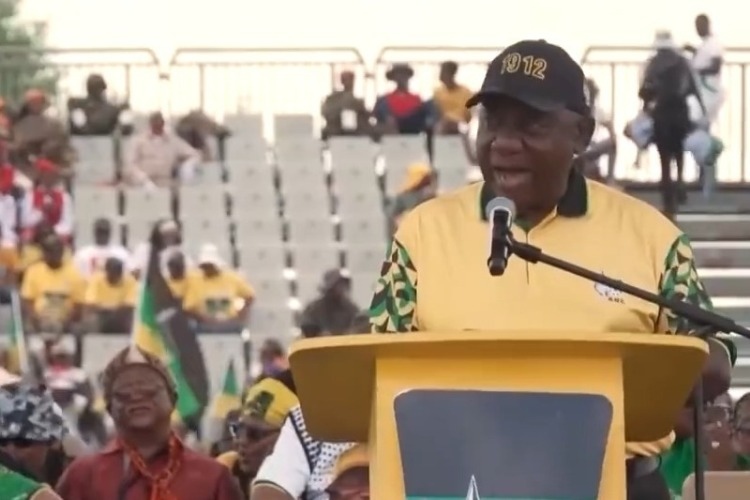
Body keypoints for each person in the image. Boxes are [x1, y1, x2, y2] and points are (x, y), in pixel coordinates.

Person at [367, 40, 734, 500]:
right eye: (492, 123)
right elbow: (376, 368)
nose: (504, 143)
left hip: (618, 484)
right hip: (464, 485)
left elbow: (712, 355)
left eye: (531, 125)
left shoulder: (652, 236)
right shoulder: (421, 232)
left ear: (581, 134)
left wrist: (675, 375)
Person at [56, 345, 244, 499]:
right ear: (109, 408)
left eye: (149, 391)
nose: (137, 397)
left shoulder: (213, 476)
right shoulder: (82, 475)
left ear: (173, 399)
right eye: (125, 394)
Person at [639, 31, 700, 218]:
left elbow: (644, 92)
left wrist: (646, 107)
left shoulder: (652, 64)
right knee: (679, 151)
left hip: (662, 115)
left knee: (664, 159)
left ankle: (668, 201)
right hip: (680, 113)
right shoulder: (683, 62)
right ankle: (680, 181)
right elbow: (693, 89)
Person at [218, 370, 299, 499]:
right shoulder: (221, 477)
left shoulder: (324, 487)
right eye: (238, 430)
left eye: (255, 434)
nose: (240, 442)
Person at [0, 384, 68, 499]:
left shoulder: (80, 476)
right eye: (2, 442)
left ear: (52, 442)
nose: (10, 451)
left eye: (22, 443)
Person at [21, 234, 85, 335]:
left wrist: (66, 322)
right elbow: (27, 301)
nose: (55, 254)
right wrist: (36, 320)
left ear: (62, 252)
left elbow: (79, 305)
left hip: (65, 321)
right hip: (40, 319)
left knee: (79, 329)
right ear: (44, 253)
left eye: (57, 251)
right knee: (26, 329)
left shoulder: (74, 273)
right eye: (51, 251)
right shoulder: (33, 271)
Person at [183, 243, 255, 333]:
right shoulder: (196, 281)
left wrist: (241, 314)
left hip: (230, 323)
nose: (207, 269)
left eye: (210, 265)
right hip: (205, 326)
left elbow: (249, 296)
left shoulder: (232, 278)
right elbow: (188, 308)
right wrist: (204, 319)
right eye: (205, 266)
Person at [125, 111, 201, 187]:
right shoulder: (139, 141)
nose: (158, 126)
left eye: (160, 123)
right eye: (155, 123)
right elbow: (130, 164)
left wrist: (187, 166)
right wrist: (143, 179)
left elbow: (194, 153)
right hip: (143, 183)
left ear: (163, 123)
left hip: (166, 182)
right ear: (151, 124)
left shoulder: (173, 141)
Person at [685, 14, 724, 126]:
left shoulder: (714, 43)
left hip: (708, 90)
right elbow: (705, 56)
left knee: (700, 119)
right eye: (696, 27)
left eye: (700, 26)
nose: (697, 30)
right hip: (701, 90)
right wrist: (694, 51)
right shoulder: (706, 43)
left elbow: (715, 67)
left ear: (707, 25)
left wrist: (696, 71)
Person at [298, 269, 359, 337]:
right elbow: (306, 327)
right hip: (320, 343)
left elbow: (359, 326)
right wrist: (319, 334)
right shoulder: (314, 309)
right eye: (337, 284)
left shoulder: (351, 309)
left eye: (343, 284)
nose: (341, 288)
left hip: (346, 343)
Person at [373, 64, 430, 135]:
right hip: (392, 131)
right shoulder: (385, 99)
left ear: (408, 76)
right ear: (394, 77)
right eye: (398, 74)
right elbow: (378, 116)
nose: (401, 77)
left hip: (412, 131)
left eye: (404, 74)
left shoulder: (416, 98)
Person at [388, 162, 438, 234]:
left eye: (428, 183)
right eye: (424, 184)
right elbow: (397, 220)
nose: (428, 189)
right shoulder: (402, 199)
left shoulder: (435, 199)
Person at [321, 71, 371, 139]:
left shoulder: (355, 100)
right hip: (336, 131)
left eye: (351, 79)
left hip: (354, 133)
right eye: (346, 79)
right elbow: (326, 113)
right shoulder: (334, 98)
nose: (350, 82)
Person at [432, 61, 473, 135]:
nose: (440, 75)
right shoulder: (437, 92)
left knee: (463, 128)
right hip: (443, 124)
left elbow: (467, 115)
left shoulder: (465, 92)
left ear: (452, 74)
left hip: (460, 124)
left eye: (443, 72)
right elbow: (437, 112)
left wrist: (454, 120)